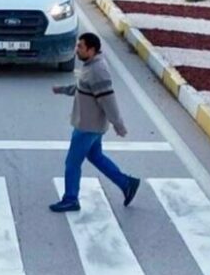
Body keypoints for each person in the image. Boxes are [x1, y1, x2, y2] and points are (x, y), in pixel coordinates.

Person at [49, 32, 141, 213]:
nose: (77, 50)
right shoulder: (91, 66)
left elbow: (108, 100)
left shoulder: (98, 71)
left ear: (91, 50)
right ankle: (126, 183)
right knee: (95, 156)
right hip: (91, 125)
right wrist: (62, 90)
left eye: (80, 47)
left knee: (72, 163)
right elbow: (82, 87)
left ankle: (71, 199)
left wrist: (118, 125)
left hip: (87, 127)